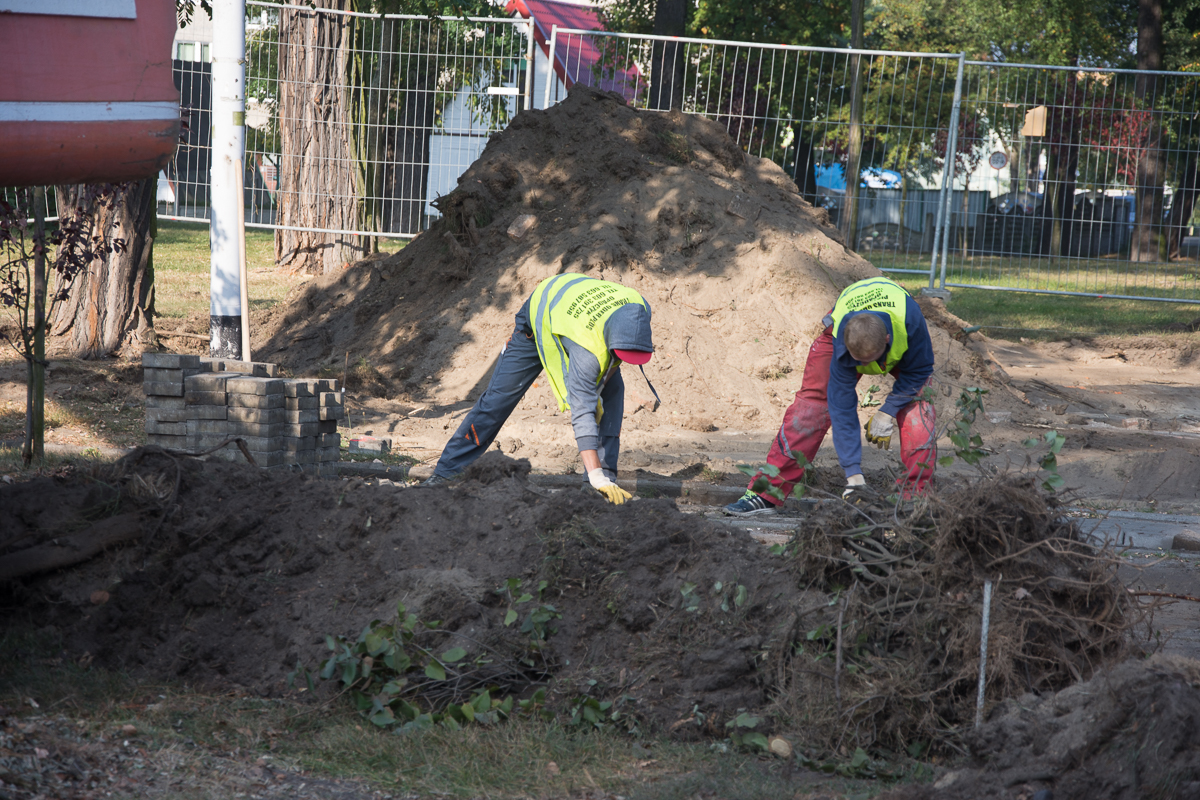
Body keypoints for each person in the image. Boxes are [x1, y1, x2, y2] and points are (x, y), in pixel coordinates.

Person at [422, 274, 655, 505]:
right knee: (498, 399)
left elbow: (616, 358)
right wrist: (595, 473)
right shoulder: (587, 352)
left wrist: (601, 385)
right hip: (541, 317)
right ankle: (448, 472)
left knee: (611, 394)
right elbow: (582, 411)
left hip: (578, 316)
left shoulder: (640, 308)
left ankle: (600, 488)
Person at [723, 276, 937, 516]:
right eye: (858, 362)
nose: (863, 367)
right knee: (812, 408)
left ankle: (914, 497)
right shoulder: (843, 339)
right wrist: (853, 475)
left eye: (869, 361)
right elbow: (842, 409)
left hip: (900, 332)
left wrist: (888, 410)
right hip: (849, 334)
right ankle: (766, 492)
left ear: (887, 340)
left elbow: (920, 370)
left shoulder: (910, 324)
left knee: (919, 409)